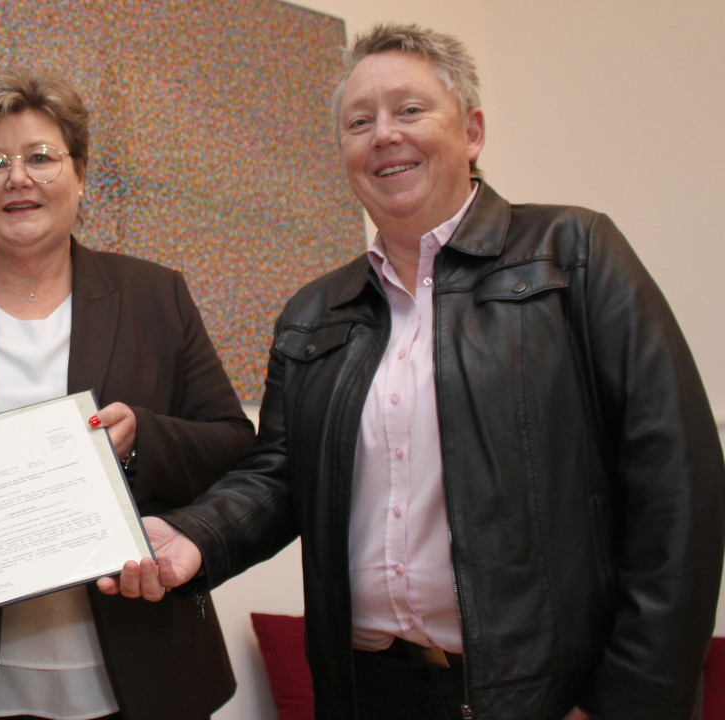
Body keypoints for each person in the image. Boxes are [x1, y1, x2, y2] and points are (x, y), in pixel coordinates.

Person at [101, 22, 725, 720]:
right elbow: (278, 474)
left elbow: (678, 487)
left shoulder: (572, 255)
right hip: (369, 692)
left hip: (542, 695)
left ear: (473, 131)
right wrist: (194, 534)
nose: (384, 135)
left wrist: (628, 703)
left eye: (410, 110)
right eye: (359, 121)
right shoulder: (315, 311)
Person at [0, 68, 254, 720]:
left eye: (41, 157)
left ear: (80, 175)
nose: (18, 177)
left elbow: (235, 444)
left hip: (146, 664)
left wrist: (140, 439)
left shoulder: (156, 295)